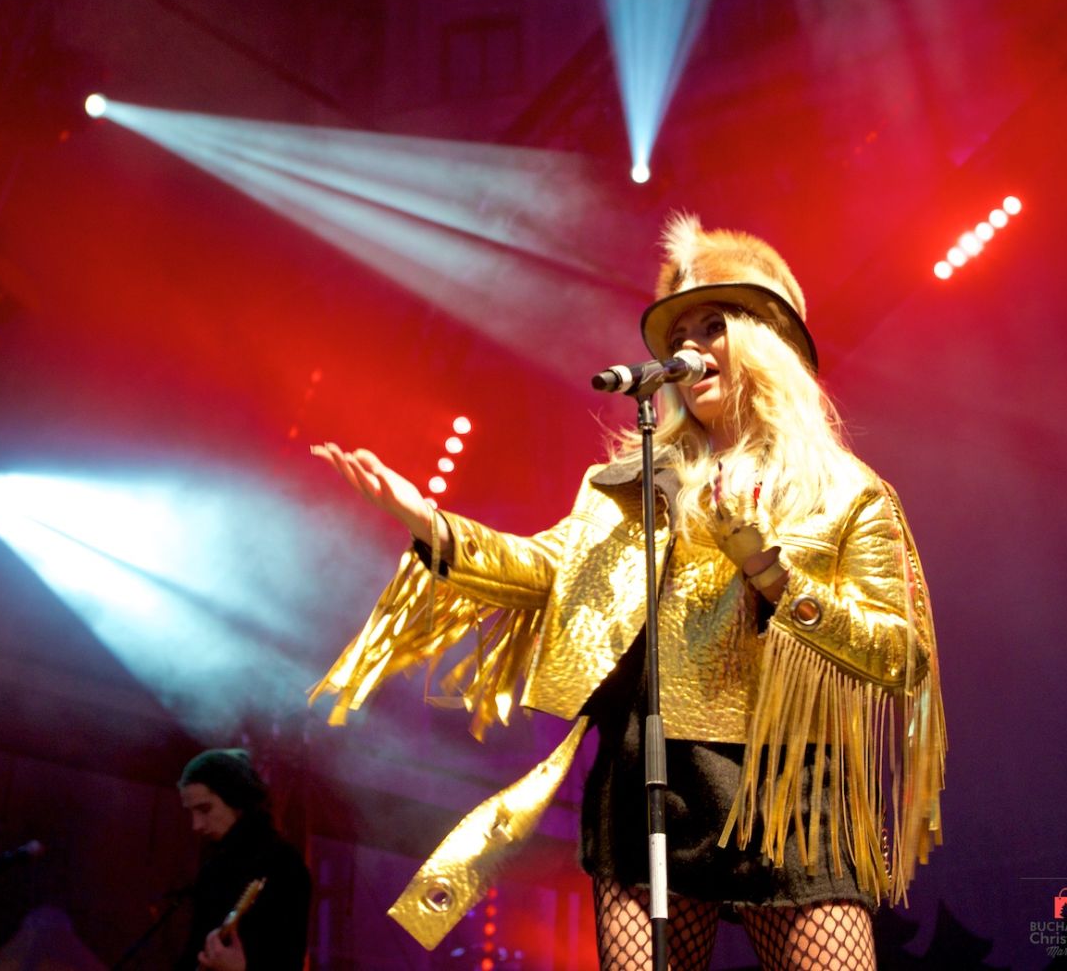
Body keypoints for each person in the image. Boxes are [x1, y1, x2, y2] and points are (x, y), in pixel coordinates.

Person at [310, 214, 945, 970]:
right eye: (679, 334)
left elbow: (901, 655)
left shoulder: (845, 492)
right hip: (651, 773)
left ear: (766, 339)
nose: (689, 349)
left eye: (712, 326)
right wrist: (435, 526)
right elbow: (546, 570)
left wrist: (775, 576)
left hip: (785, 783)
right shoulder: (633, 485)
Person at [176, 749, 311, 971]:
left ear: (236, 800)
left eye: (205, 809)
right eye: (191, 812)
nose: (196, 825)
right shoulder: (212, 868)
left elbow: (288, 960)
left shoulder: (284, 864)